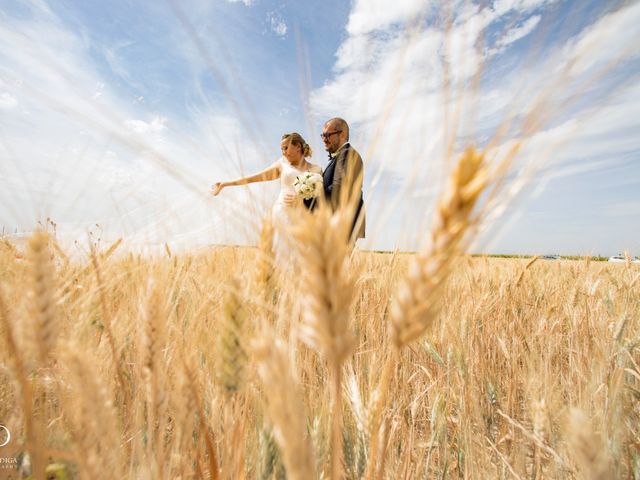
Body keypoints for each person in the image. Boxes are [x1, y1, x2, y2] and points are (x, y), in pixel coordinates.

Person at [211, 132, 322, 264]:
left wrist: (302, 199)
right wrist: (225, 184)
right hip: (283, 212)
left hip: (304, 215)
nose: (283, 152)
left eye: (286, 148)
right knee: (283, 252)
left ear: (298, 146)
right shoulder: (282, 165)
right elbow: (253, 177)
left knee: (302, 254)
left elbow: (320, 197)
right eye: (282, 149)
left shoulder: (316, 169)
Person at [321, 118, 365, 242]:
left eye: (328, 135)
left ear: (342, 134)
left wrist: (309, 196)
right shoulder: (342, 155)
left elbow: (338, 189)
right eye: (323, 135)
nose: (324, 139)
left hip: (341, 225)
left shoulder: (347, 155)